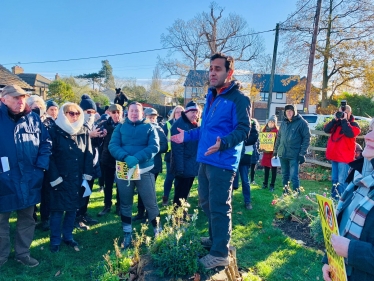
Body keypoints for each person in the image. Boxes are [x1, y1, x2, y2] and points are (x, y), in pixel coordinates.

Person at [171, 53, 251, 269]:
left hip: (222, 162)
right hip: (204, 161)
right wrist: (186, 136)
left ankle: (219, 253)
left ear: (229, 72)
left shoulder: (239, 99)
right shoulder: (211, 96)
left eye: (218, 68)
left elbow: (244, 130)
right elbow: (206, 130)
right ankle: (216, 239)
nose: (212, 72)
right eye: (211, 68)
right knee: (206, 203)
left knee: (219, 207)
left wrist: (223, 143)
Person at [0, 85, 51, 267]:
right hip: (3, 180)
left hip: (29, 179)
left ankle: (23, 254)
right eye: (15, 97)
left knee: (27, 219)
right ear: (3, 99)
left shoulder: (34, 119)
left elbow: (45, 143)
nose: (20, 101)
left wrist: (40, 168)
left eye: (22, 97)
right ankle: (1, 256)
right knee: (1, 222)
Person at [322, 118, 374, 281]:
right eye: (371, 129)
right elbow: (340, 227)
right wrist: (327, 260)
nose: (368, 136)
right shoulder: (360, 179)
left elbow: (347, 246)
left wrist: (351, 250)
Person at [109, 102, 161, 249]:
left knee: (151, 203)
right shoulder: (120, 127)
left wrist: (137, 158)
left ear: (142, 113)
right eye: (131, 111)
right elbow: (113, 146)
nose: (134, 113)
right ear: (127, 112)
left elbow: (154, 146)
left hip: (144, 170)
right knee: (125, 203)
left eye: (137, 111)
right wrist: (125, 157)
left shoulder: (150, 127)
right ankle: (127, 233)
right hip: (124, 171)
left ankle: (158, 231)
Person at [48, 103, 93, 253]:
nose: (74, 116)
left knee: (73, 209)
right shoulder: (54, 131)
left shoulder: (83, 130)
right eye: (70, 113)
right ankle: (55, 240)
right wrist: (55, 178)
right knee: (57, 210)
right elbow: (49, 157)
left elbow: (88, 154)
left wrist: (86, 176)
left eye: (77, 113)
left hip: (77, 177)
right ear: (63, 114)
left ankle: (67, 236)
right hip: (60, 178)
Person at [75, 95, 105, 229]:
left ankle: (84, 213)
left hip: (93, 163)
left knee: (88, 192)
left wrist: (100, 137)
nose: (91, 114)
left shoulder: (92, 124)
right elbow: (74, 142)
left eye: (93, 112)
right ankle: (76, 218)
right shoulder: (76, 124)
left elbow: (95, 145)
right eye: (88, 112)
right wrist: (88, 135)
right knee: (80, 192)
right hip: (80, 166)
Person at [133, 107, 168, 221]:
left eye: (154, 117)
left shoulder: (159, 129)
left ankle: (149, 214)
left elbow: (164, 146)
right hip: (141, 164)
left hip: (153, 165)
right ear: (144, 117)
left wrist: (152, 149)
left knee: (149, 191)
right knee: (140, 189)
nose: (152, 119)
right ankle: (140, 213)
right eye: (150, 117)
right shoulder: (139, 128)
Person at [324, 105, 360, 199]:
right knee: (334, 180)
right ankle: (334, 200)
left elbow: (350, 133)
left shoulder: (354, 125)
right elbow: (326, 129)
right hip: (334, 156)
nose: (342, 115)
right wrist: (334, 120)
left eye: (344, 113)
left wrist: (344, 120)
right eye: (340, 112)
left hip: (344, 158)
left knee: (342, 181)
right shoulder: (336, 124)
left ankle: (343, 202)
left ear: (350, 113)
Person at [273, 104, 311, 193]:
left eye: (291, 111)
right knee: (284, 175)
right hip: (283, 153)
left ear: (294, 112)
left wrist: (302, 153)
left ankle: (296, 194)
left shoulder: (302, 123)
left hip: (294, 154)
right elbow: (279, 137)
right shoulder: (284, 123)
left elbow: (307, 138)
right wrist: (275, 150)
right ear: (285, 113)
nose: (289, 113)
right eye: (287, 111)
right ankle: (285, 192)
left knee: (294, 176)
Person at [170, 101, 200, 208]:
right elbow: (178, 150)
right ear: (186, 112)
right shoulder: (179, 125)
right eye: (192, 112)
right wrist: (180, 169)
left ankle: (181, 214)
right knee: (180, 194)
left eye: (196, 112)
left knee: (185, 193)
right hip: (183, 168)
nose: (195, 115)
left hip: (190, 166)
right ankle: (177, 218)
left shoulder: (193, 124)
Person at [97, 104, 123, 217]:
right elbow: (96, 143)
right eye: (114, 112)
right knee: (107, 184)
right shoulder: (103, 125)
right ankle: (107, 205)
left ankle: (119, 206)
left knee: (121, 185)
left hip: (121, 159)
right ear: (109, 113)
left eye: (118, 112)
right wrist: (100, 136)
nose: (116, 115)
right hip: (107, 158)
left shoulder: (125, 125)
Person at [232, 117, 259, 210]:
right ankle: (228, 199)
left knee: (245, 180)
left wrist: (240, 141)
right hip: (234, 156)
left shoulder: (252, 122)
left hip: (245, 158)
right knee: (230, 179)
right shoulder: (235, 120)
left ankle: (247, 201)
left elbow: (254, 137)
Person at [162, 105, 184, 206]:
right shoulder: (168, 124)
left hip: (183, 154)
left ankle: (178, 198)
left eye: (181, 112)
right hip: (170, 154)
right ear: (174, 114)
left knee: (180, 178)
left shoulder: (186, 124)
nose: (179, 114)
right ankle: (165, 197)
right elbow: (162, 139)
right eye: (177, 112)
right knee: (170, 177)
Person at [260, 115, 279, 192]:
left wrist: (275, 150)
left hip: (273, 153)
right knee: (266, 169)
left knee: (274, 169)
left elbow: (278, 142)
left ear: (275, 124)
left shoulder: (277, 132)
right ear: (267, 123)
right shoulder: (264, 131)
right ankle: (265, 183)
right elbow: (262, 141)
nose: (271, 123)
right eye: (270, 122)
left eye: (272, 122)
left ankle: (272, 185)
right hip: (266, 153)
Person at [249, 119, 260, 184]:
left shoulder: (253, 132)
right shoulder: (255, 133)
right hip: (253, 152)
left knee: (251, 166)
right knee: (252, 166)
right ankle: (251, 179)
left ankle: (251, 179)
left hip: (253, 152)